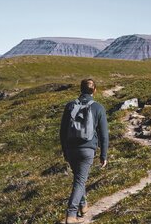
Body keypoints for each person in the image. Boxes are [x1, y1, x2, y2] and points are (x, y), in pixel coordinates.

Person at [60, 78, 109, 224]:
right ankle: (71, 214)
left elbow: (62, 131)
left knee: (78, 179)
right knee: (80, 181)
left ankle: (83, 206)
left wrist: (65, 150)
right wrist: (104, 154)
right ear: (95, 90)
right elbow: (104, 134)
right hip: (87, 149)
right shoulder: (98, 107)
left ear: (80, 89)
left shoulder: (70, 106)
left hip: (71, 149)